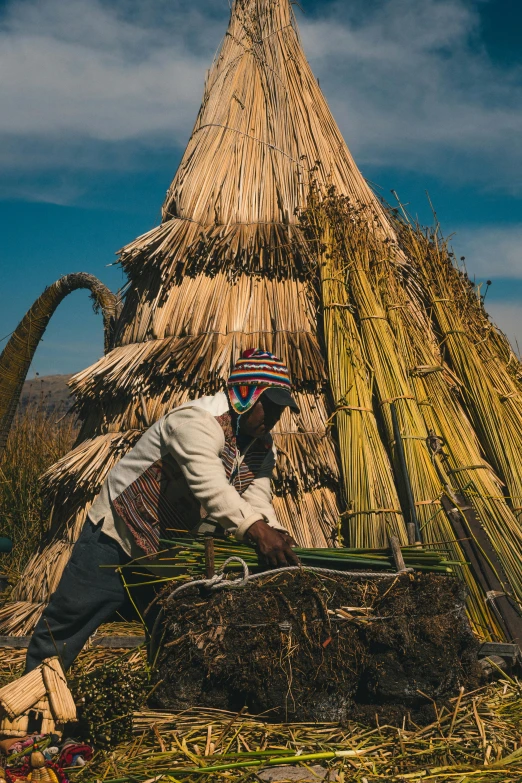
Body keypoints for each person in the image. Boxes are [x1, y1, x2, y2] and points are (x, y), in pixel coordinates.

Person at [26, 349, 301, 671]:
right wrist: (257, 530)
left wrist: (273, 529)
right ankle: (34, 696)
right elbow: (209, 486)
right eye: (268, 406)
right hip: (119, 531)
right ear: (245, 397)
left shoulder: (262, 445)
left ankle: (161, 707)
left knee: (172, 631)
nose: (273, 418)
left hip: (170, 547)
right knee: (71, 616)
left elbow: (257, 495)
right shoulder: (196, 421)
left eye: (281, 410)